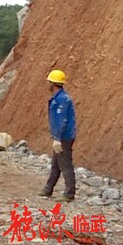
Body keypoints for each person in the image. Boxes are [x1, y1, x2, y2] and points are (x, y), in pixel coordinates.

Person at [40, 69, 77, 202]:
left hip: (64, 137)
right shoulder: (58, 98)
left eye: (49, 82)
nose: (48, 84)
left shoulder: (62, 100)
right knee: (56, 163)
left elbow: (62, 120)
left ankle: (69, 193)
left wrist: (57, 138)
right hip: (61, 136)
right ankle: (48, 189)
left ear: (53, 83)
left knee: (65, 163)